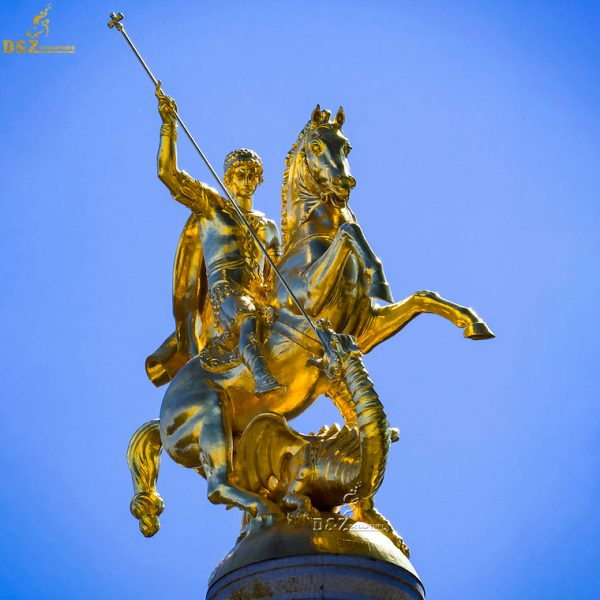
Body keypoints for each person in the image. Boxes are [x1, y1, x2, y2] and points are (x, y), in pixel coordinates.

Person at [152, 82, 284, 395]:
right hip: (225, 293)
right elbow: (168, 174)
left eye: (253, 175)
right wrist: (169, 126)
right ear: (227, 178)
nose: (247, 180)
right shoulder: (212, 206)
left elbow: (276, 275)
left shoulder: (267, 226)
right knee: (245, 311)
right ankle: (262, 375)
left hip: (258, 297)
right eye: (241, 173)